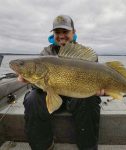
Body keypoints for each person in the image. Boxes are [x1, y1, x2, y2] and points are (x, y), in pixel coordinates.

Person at [18, 15, 104, 150]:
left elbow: (95, 77)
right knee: (31, 99)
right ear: (53, 34)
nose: (61, 36)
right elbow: (40, 81)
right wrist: (29, 79)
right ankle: (43, 146)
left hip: (76, 97)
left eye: (65, 32)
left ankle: (88, 147)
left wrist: (99, 90)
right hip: (51, 95)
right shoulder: (45, 53)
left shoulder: (84, 54)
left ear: (74, 33)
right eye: (58, 32)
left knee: (91, 100)